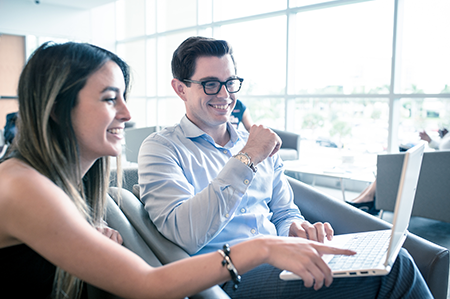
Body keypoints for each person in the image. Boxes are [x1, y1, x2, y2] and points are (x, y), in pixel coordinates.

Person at [0, 41, 360, 299]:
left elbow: (284, 210)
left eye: (124, 98)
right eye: (111, 99)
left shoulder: (66, 190)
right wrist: (264, 247)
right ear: (56, 108)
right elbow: (146, 285)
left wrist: (83, 238)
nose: (127, 114)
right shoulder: (21, 184)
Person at [138, 36, 432, 298]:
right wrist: (247, 158)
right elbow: (184, 235)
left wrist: (296, 228)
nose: (225, 95)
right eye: (210, 84)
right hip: (225, 276)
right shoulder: (161, 148)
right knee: (397, 270)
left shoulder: (256, 142)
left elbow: (283, 210)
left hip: (283, 258)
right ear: (180, 88)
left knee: (390, 258)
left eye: (230, 83)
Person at [348, 127, 450, 211]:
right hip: (440, 168)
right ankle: (364, 198)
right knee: (390, 166)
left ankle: (367, 199)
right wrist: (430, 140)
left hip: (442, 173)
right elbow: (442, 148)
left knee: (391, 166)